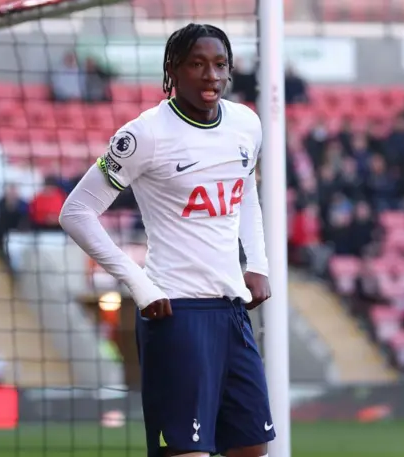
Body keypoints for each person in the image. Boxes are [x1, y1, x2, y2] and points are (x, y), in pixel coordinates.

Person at [59, 23, 274, 457]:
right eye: (197, 64)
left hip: (232, 311)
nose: (211, 75)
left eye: (219, 64)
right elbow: (75, 213)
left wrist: (258, 263)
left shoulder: (246, 124)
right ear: (172, 70)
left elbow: (244, 188)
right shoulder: (143, 135)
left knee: (252, 449)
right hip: (177, 312)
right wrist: (139, 285)